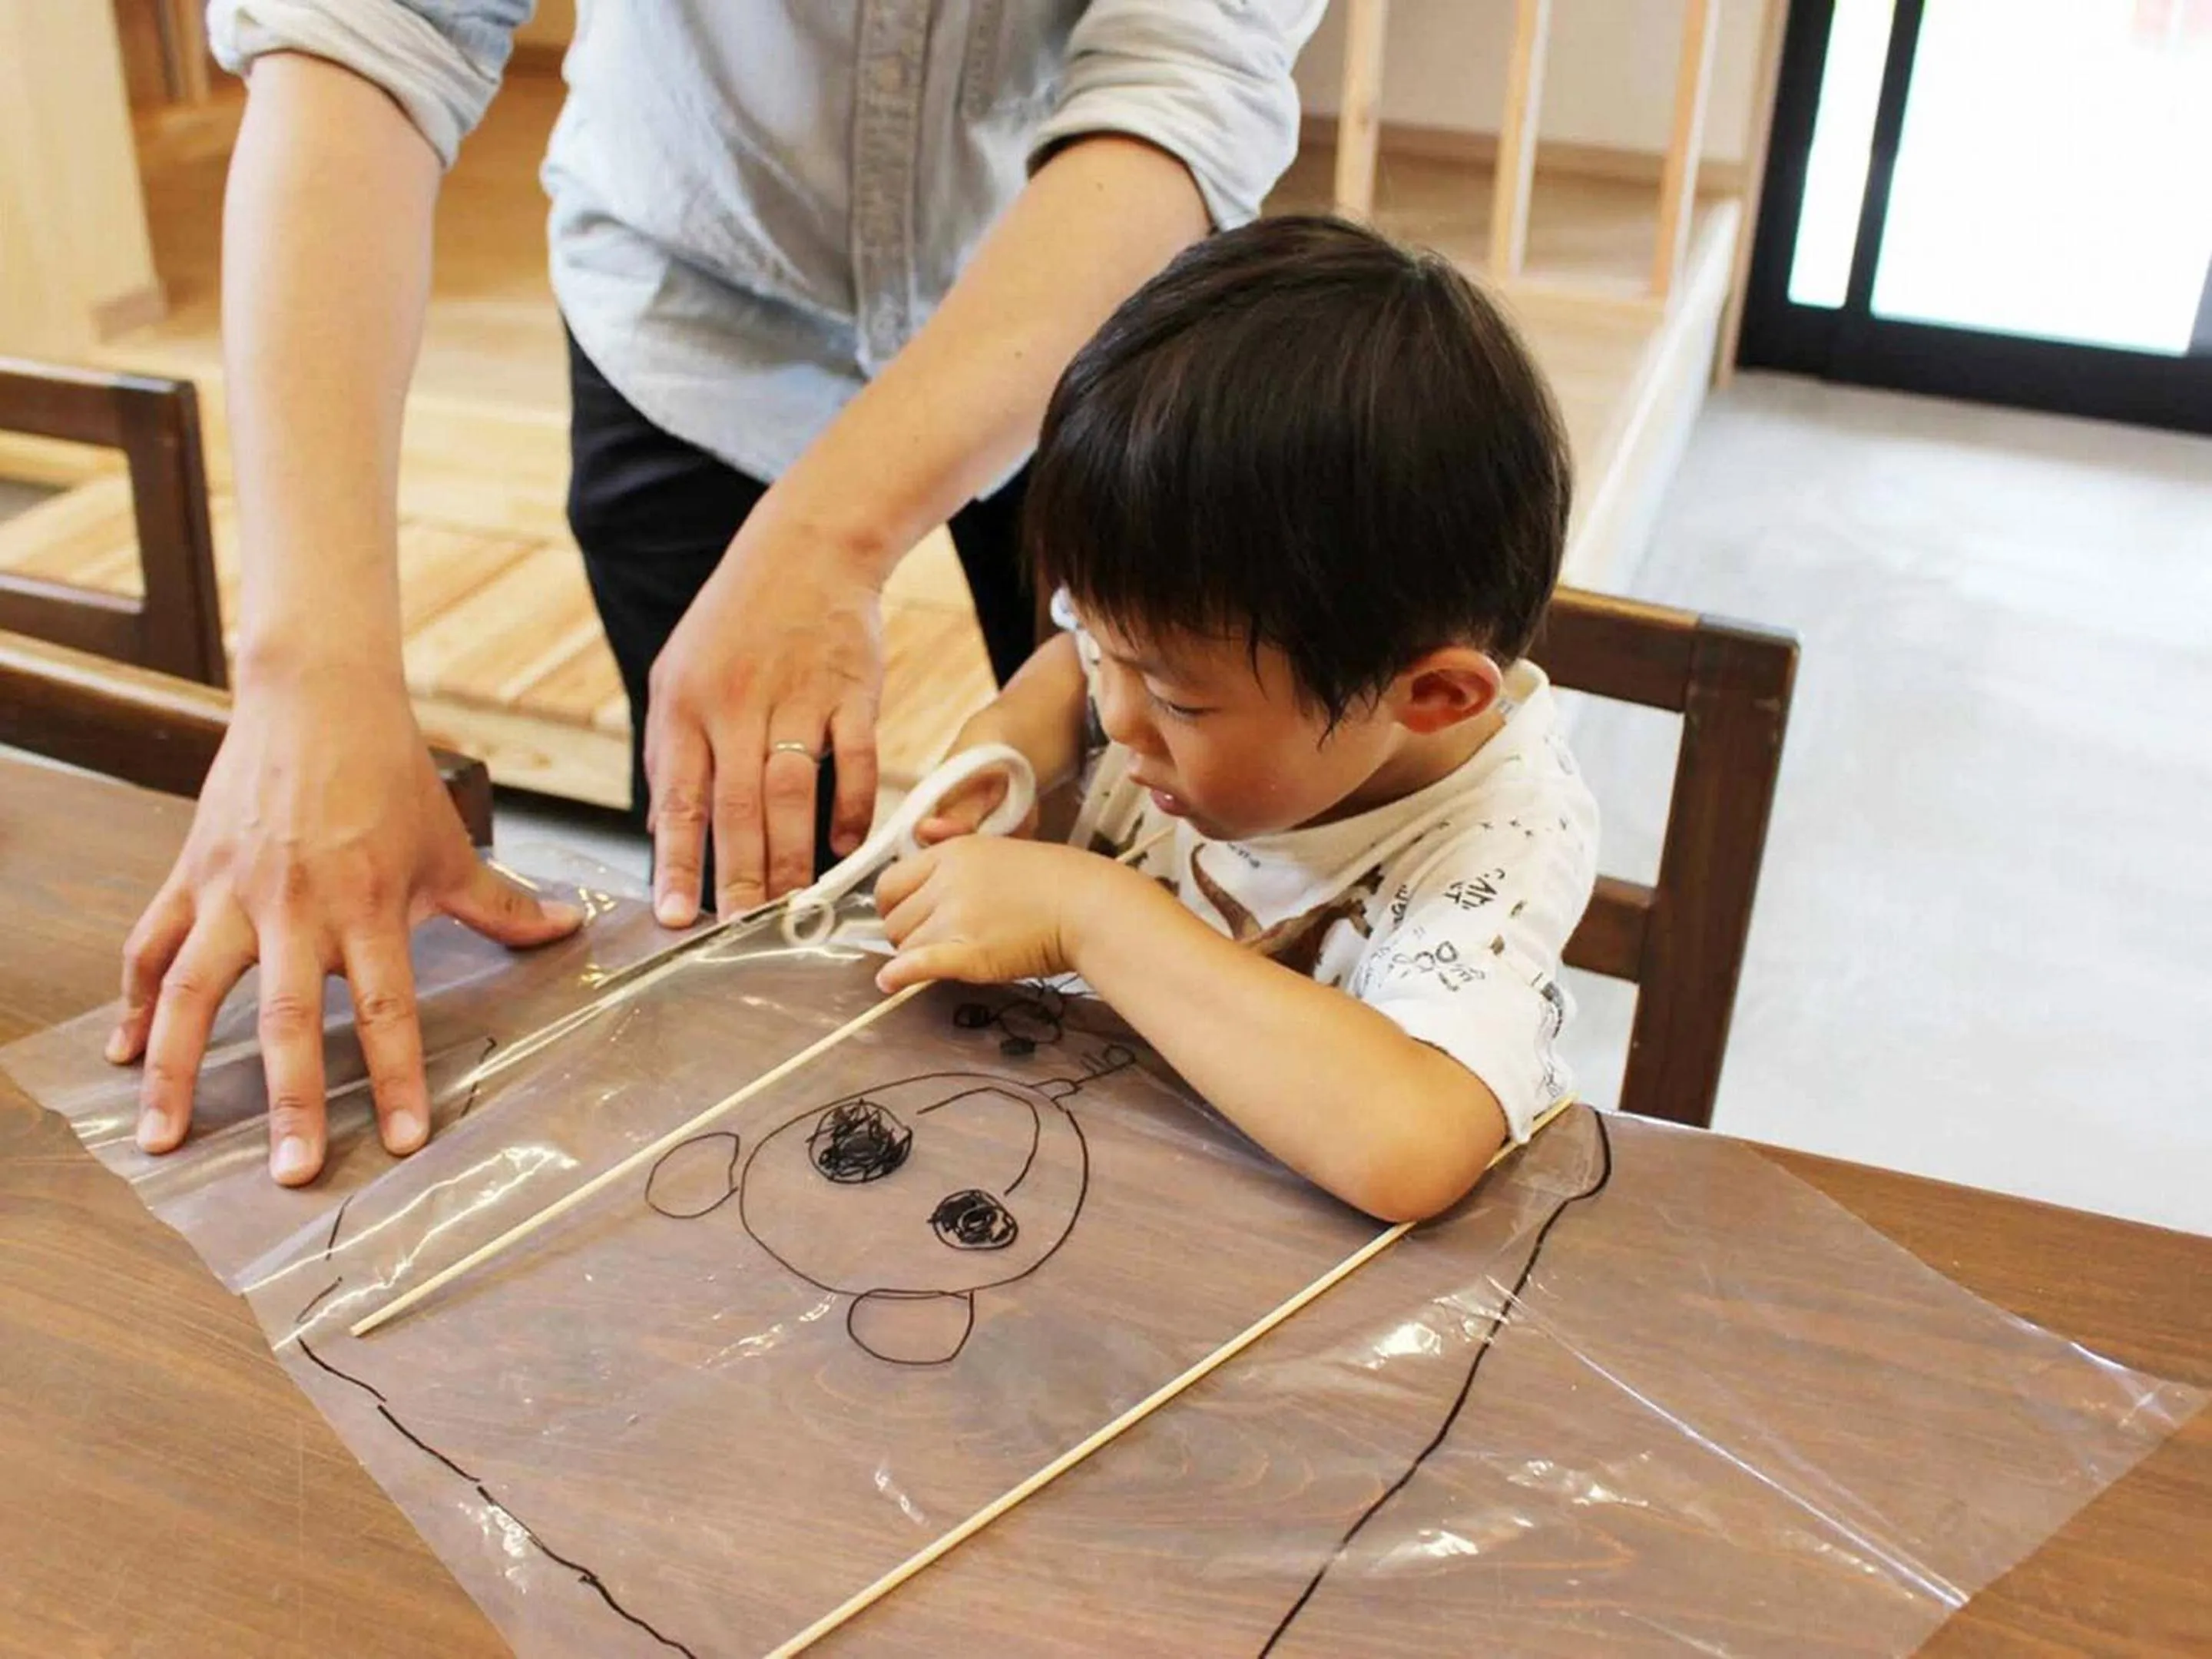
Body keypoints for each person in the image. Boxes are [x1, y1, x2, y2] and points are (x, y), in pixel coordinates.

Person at [112, 1, 1325, 1184]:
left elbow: (1178, 86)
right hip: (688, 319)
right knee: (731, 911)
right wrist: (308, 674)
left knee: (1170, 867)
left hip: (1077, 314)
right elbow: (369, 33)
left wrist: (832, 542)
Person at [874, 217, 1598, 1223]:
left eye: (1176, 699)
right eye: (1107, 647)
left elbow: (1411, 1146)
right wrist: (1008, 746)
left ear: (1429, 696)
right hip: (1065, 1149)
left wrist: (1090, 916)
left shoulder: (1499, 843)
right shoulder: (1184, 647)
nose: (1118, 718)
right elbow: (1069, 671)